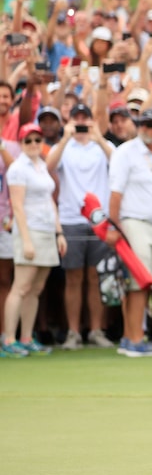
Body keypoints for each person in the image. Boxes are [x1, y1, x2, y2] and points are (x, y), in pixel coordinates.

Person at [46, 105, 115, 350]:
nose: (81, 122)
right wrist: (66, 138)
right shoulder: (63, 146)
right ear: (71, 120)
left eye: (85, 118)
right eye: (77, 118)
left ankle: (96, 330)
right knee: (73, 278)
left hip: (99, 220)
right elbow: (49, 167)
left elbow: (117, 164)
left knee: (96, 277)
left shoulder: (102, 145)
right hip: (71, 219)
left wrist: (98, 137)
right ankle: (74, 332)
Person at [107, 110, 152, 358]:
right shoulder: (125, 152)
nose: (145, 128)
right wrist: (115, 228)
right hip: (132, 222)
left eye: (151, 124)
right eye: (142, 124)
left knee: (147, 283)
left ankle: (130, 338)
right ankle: (135, 339)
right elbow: (115, 194)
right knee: (138, 282)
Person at [1, 124, 64, 358]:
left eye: (37, 140)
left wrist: (59, 232)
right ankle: (9, 339)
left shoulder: (41, 166)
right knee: (21, 287)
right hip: (29, 231)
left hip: (46, 230)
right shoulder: (18, 168)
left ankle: (26, 338)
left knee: (35, 289)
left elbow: (49, 201)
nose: (34, 144)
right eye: (28, 141)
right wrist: (26, 240)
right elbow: (17, 205)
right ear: (21, 143)